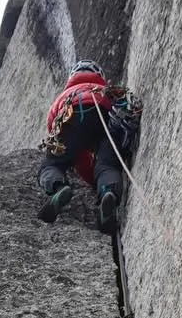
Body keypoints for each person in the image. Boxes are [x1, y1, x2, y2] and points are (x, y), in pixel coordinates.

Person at [36, 60, 143, 232]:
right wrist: (97, 180)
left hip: (70, 117)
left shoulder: (64, 95)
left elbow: (52, 126)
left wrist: (88, 177)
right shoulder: (105, 89)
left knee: (53, 163)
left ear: (72, 77)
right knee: (107, 165)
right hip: (106, 118)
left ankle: (58, 187)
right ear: (99, 75)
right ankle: (108, 191)